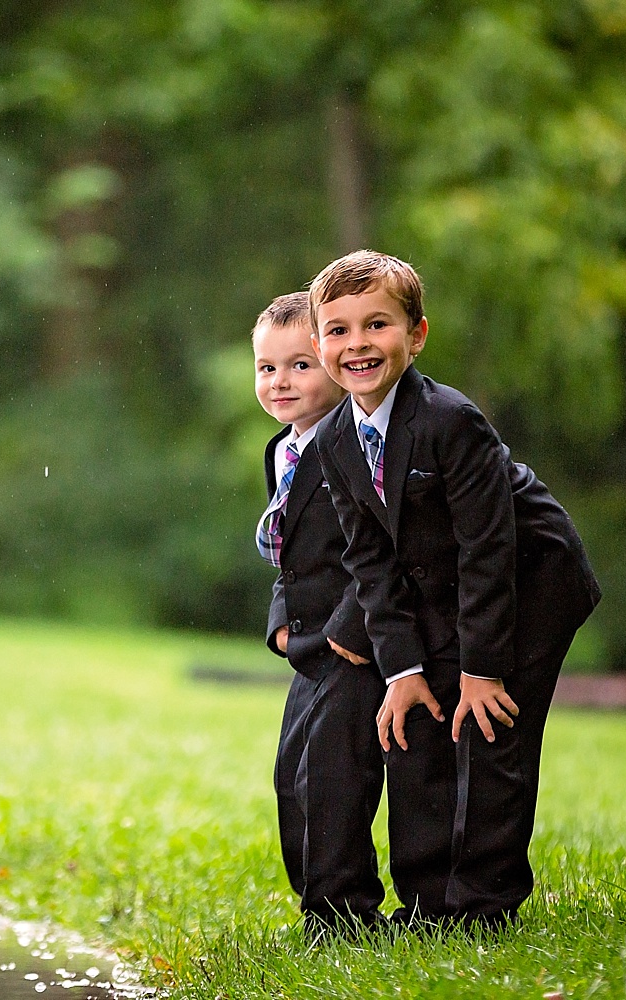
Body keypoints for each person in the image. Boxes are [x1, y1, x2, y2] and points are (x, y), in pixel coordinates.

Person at [308, 250, 601, 930]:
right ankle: (429, 902)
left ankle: (482, 907)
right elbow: (370, 560)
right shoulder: (335, 443)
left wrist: (480, 670)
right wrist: (405, 668)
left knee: (489, 730)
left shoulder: (449, 420)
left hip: (529, 580)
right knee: (419, 726)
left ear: (416, 335)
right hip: (441, 588)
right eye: (340, 330)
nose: (358, 344)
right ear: (319, 342)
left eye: (377, 325)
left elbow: (489, 550)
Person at [252, 292, 386, 934]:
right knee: (293, 778)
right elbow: (291, 548)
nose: (280, 382)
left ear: (334, 363)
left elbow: (385, 548)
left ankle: (346, 915)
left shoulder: (354, 446)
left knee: (334, 780)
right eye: (266, 368)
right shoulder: (283, 448)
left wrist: (349, 633)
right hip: (307, 643)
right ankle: (316, 904)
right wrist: (282, 618)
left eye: (299, 365)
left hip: (355, 643)